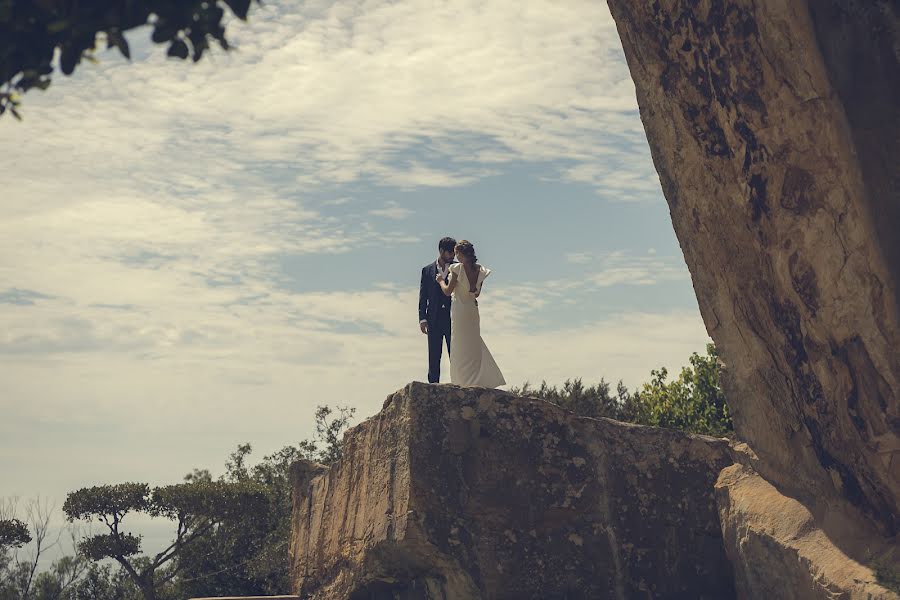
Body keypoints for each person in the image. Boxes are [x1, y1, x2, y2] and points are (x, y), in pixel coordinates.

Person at [437, 240, 505, 388]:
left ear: (461, 254)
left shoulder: (457, 269)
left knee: (459, 344)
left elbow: (448, 291)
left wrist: (441, 280)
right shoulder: (480, 270)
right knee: (472, 343)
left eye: (456, 253)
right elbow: (477, 293)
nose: (455, 256)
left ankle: (461, 380)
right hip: (472, 310)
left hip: (460, 310)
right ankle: (475, 378)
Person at [419, 237, 456, 383]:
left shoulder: (457, 268)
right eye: (450, 253)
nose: (452, 256)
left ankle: (458, 383)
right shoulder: (427, 270)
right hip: (433, 318)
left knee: (455, 354)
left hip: (452, 318)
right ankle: (433, 385)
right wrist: (422, 319)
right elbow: (423, 297)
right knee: (434, 355)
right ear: (441, 251)